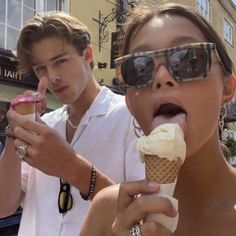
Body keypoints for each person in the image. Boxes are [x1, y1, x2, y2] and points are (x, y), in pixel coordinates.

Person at [80, 2, 236, 236]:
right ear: (130, 103)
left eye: (188, 60)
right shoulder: (107, 212)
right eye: (139, 68)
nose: (161, 77)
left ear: (227, 88)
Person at [0, 11, 144, 236]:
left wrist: (71, 166)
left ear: (87, 54)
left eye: (60, 61)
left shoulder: (131, 118)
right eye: (41, 68)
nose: (53, 76)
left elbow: (144, 218)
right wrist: (15, 130)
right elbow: (3, 205)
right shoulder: (44, 125)